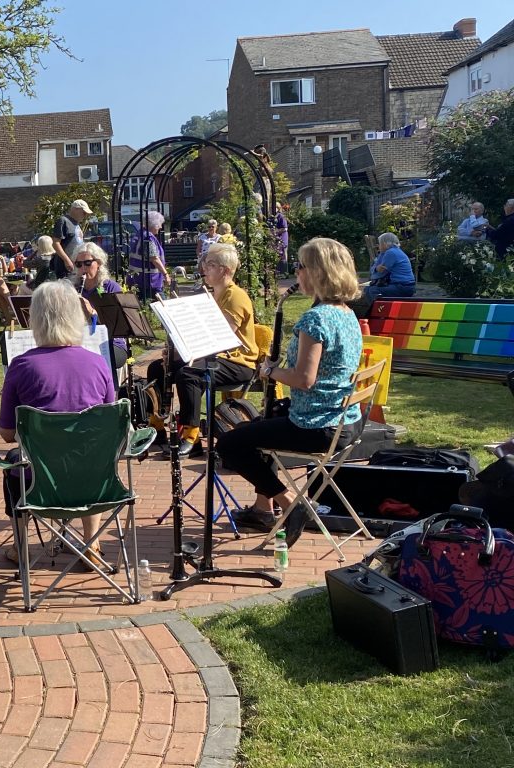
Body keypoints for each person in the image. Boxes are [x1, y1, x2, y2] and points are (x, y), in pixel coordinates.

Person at [218, 238, 364, 547]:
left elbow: (303, 379)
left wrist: (268, 371)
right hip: (344, 420)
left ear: (318, 272)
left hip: (315, 424)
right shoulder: (346, 313)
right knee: (263, 423)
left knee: (231, 443)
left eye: (300, 267)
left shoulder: (315, 318)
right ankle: (262, 509)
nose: (296, 272)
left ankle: (292, 505)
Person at [0, 280, 116, 566]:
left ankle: (21, 545)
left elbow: (6, 434)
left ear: (35, 318)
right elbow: (111, 421)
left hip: (41, 481)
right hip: (94, 480)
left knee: (14, 461)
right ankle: (92, 542)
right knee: (91, 454)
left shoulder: (22, 366)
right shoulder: (98, 362)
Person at [170, 243, 259, 457]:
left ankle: (192, 435)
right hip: (218, 356)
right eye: (204, 263)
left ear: (225, 270)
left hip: (238, 361)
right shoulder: (213, 294)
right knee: (161, 367)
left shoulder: (235, 296)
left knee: (189, 374)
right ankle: (157, 426)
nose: (204, 268)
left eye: (210, 264)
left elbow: (222, 338)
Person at [72, 241, 129, 371]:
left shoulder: (111, 288)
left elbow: (119, 324)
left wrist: (93, 313)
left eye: (87, 263)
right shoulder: (72, 289)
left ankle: (108, 390)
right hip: (80, 342)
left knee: (92, 359)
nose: (83, 268)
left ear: (98, 263)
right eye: (78, 264)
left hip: (111, 343)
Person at [128, 211, 171, 301]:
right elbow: (154, 258)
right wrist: (165, 274)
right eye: (159, 224)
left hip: (138, 279)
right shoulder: (148, 238)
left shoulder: (140, 234)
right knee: (162, 306)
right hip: (149, 281)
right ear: (154, 225)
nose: (160, 227)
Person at [364, 232, 416, 301]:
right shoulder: (394, 251)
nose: (378, 246)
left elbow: (379, 274)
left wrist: (375, 269)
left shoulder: (390, 253)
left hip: (403, 287)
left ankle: (379, 311)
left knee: (372, 290)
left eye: (380, 243)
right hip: (406, 286)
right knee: (368, 289)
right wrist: (376, 269)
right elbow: (376, 269)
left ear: (385, 244)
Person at [52, 199, 92, 280]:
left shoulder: (76, 223)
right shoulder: (63, 221)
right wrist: (67, 260)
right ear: (75, 209)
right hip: (65, 267)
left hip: (76, 265)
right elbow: (56, 243)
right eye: (84, 212)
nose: (85, 216)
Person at [273, 202, 289, 274]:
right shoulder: (274, 216)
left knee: (283, 255)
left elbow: (285, 228)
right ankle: (279, 272)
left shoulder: (281, 216)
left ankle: (284, 272)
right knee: (277, 255)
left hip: (282, 239)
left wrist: (275, 231)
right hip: (276, 239)